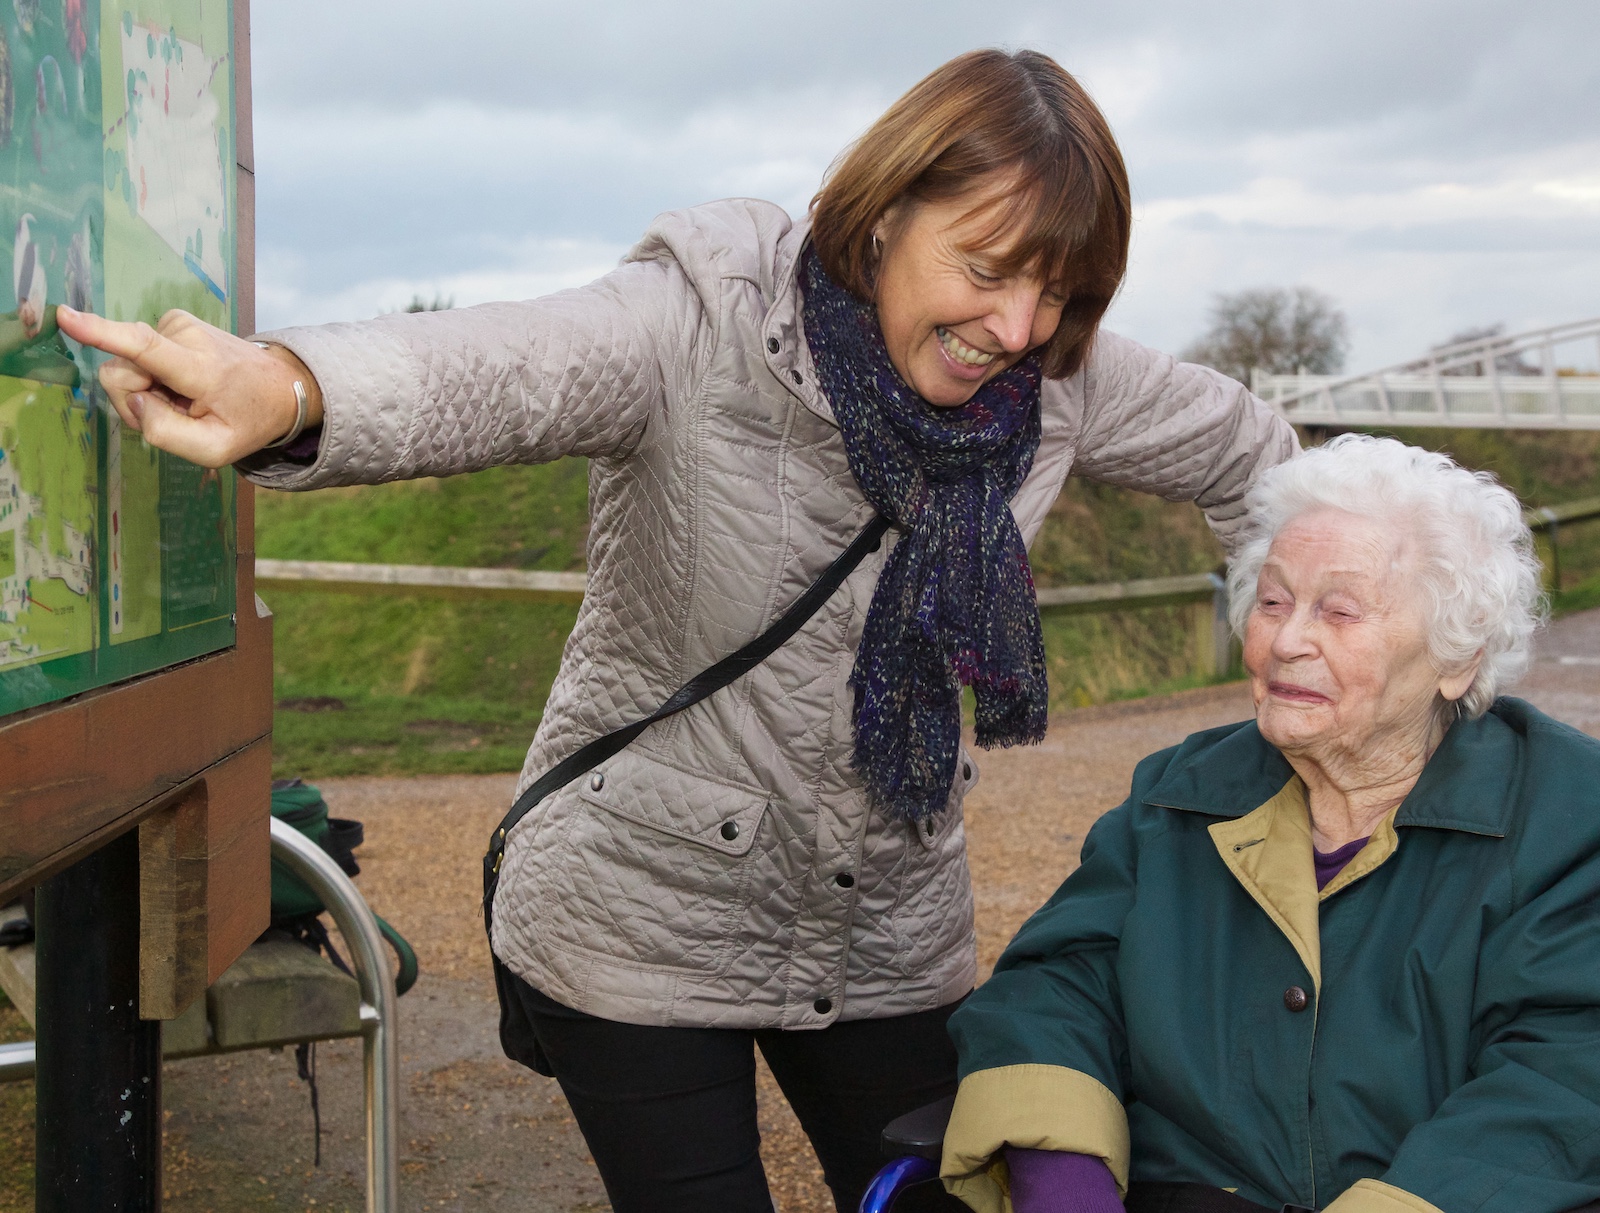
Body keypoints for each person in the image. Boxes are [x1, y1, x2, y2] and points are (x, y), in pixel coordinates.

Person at [59, 48, 1296, 1213]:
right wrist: (287, 387)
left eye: (1059, 290)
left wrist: (1298, 631)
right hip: (634, 919)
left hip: (887, 921)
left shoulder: (1058, 384)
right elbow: (495, 370)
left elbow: (1257, 458)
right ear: (883, 216)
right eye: (985, 268)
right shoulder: (705, 321)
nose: (1018, 328)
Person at [941, 434, 1600, 1213]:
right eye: (1274, 600)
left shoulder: (1566, 816)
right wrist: (1065, 1181)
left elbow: (1565, 1076)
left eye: (1340, 611)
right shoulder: (1180, 794)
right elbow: (1058, 981)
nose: (1287, 640)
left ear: (1457, 655)